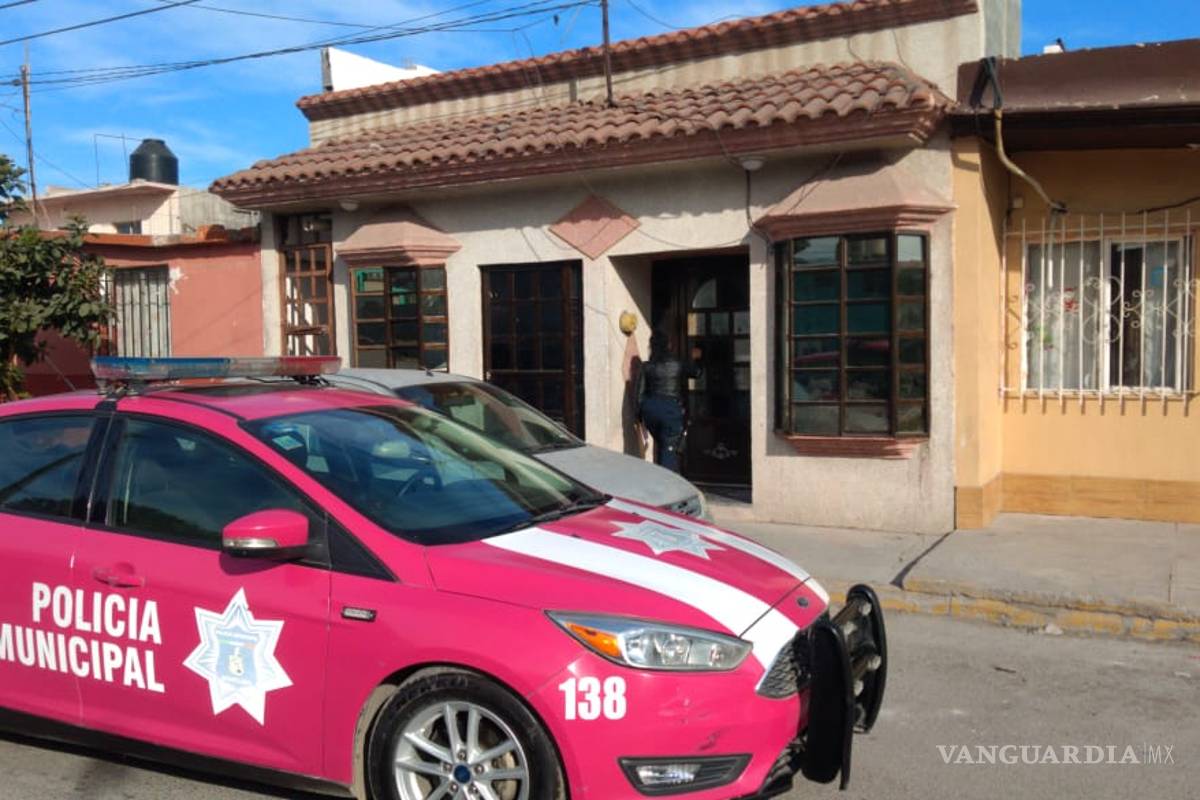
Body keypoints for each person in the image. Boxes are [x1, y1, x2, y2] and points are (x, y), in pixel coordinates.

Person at [636, 330, 701, 473]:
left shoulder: (646, 366)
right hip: (670, 410)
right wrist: (695, 357)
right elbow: (697, 373)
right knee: (668, 451)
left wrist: (639, 418)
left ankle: (661, 477)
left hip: (650, 410)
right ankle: (668, 488)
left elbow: (639, 394)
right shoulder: (677, 364)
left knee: (662, 445)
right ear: (668, 346)